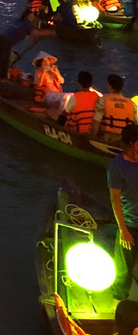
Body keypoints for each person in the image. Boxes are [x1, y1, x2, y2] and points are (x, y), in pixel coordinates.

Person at [108, 124, 138, 301]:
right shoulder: (117, 166)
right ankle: (119, 300)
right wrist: (123, 230)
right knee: (124, 269)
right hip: (130, 224)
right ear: (133, 143)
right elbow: (115, 199)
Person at [0, 11, 37, 78]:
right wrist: (52, 32)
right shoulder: (28, 25)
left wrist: (32, 40)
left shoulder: (19, 22)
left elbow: (28, 35)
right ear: (27, 17)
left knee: (2, 59)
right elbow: (37, 33)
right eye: (31, 16)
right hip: (6, 41)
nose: (33, 18)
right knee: (3, 60)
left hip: (1, 38)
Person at [92, 75, 138, 141]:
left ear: (110, 86)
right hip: (125, 140)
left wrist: (93, 138)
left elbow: (96, 122)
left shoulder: (103, 100)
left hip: (107, 138)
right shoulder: (132, 104)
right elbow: (136, 125)